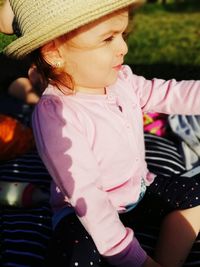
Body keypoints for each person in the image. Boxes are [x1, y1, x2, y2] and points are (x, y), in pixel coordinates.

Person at [3, 0, 200, 266]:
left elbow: (167, 93)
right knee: (77, 256)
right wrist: (131, 256)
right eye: (108, 38)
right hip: (83, 214)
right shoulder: (58, 114)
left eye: (122, 35)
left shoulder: (122, 81)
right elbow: (88, 197)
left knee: (195, 196)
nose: (124, 48)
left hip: (137, 192)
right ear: (54, 53)